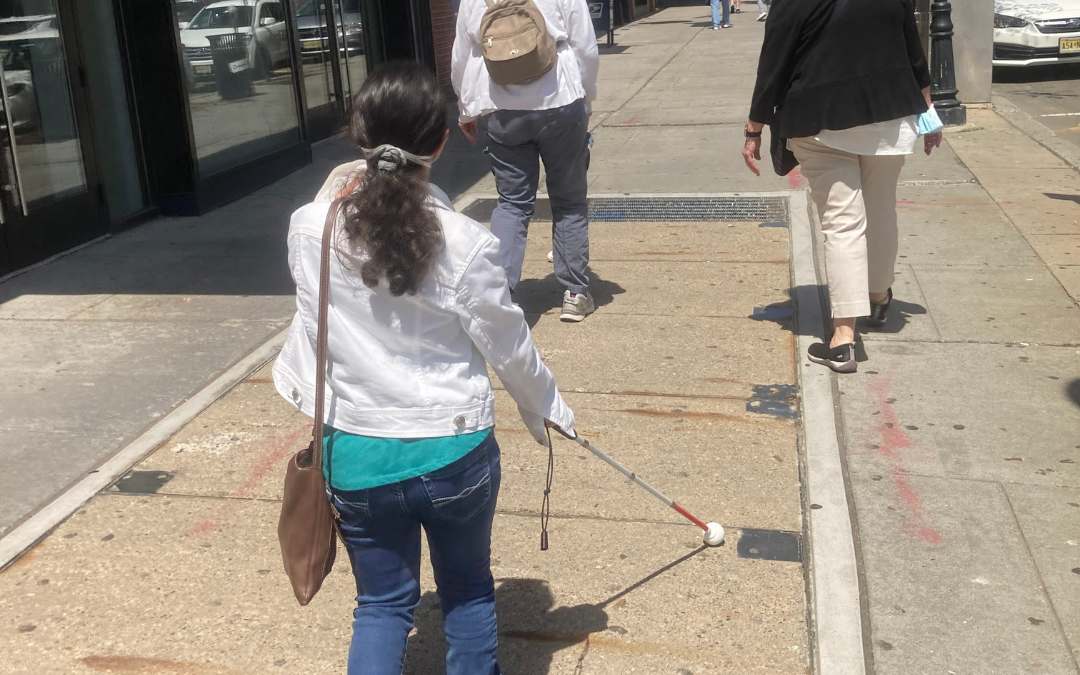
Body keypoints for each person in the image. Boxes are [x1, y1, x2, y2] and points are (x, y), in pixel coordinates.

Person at [273, 62, 575, 675]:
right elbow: (508, 344)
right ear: (438, 144)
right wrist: (548, 407)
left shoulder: (310, 226)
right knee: (467, 594)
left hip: (356, 453)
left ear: (358, 134)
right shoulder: (464, 241)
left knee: (381, 606)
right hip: (453, 451)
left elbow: (312, 320)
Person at [741, 0, 943, 373]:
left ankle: (843, 339)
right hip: (889, 115)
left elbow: (774, 61)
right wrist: (930, 115)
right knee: (881, 213)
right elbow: (914, 54)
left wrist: (754, 128)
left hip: (820, 120)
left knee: (842, 224)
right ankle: (879, 296)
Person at [452, 0, 600, 322]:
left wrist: (466, 108)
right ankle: (575, 293)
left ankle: (502, 297)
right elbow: (585, 46)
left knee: (513, 203)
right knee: (569, 199)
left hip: (500, 106)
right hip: (560, 100)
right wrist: (587, 95)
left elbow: (462, 55)